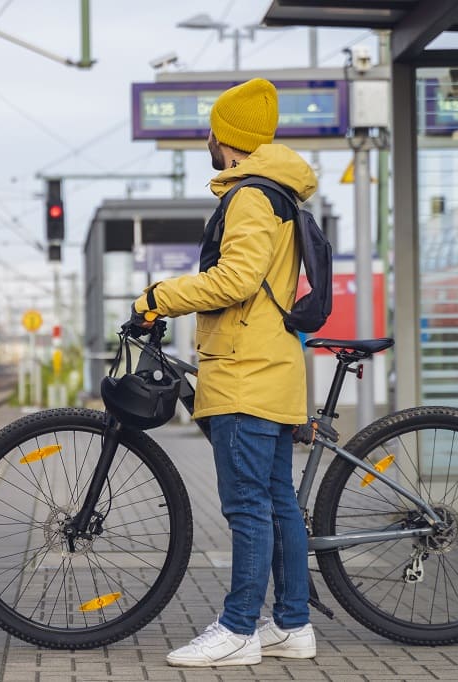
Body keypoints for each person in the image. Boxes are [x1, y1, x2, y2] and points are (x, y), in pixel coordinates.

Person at [127, 78, 318, 667]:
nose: (207, 139)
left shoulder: (250, 197)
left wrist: (158, 296)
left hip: (245, 372)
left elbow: (235, 280)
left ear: (226, 138)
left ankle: (238, 629)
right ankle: (292, 624)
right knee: (277, 501)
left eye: (211, 130)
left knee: (247, 507)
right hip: (268, 365)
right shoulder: (277, 193)